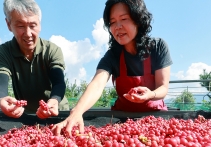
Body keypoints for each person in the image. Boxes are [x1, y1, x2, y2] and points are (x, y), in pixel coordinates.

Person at [52, 0, 172, 135]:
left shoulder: (158, 47)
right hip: (122, 120)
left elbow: (163, 87)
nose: (117, 26)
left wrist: (151, 94)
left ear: (138, 20)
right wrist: (77, 111)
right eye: (112, 22)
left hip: (155, 119)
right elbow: (97, 83)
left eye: (124, 19)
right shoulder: (112, 55)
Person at [0, 0, 69, 119]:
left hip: (56, 110)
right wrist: (2, 99)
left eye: (33, 26)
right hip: (26, 114)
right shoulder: (3, 53)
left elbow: (58, 82)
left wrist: (54, 100)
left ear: (40, 24)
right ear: (8, 25)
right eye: (20, 26)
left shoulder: (52, 50)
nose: (28, 34)